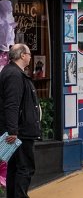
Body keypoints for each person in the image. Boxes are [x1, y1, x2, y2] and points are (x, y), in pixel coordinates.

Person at [0, 43, 41, 198]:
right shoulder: (14, 75)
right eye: (29, 54)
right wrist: (13, 131)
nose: (30, 57)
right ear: (22, 55)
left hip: (19, 131)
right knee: (24, 168)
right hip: (20, 133)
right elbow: (12, 104)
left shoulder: (12, 72)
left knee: (15, 168)